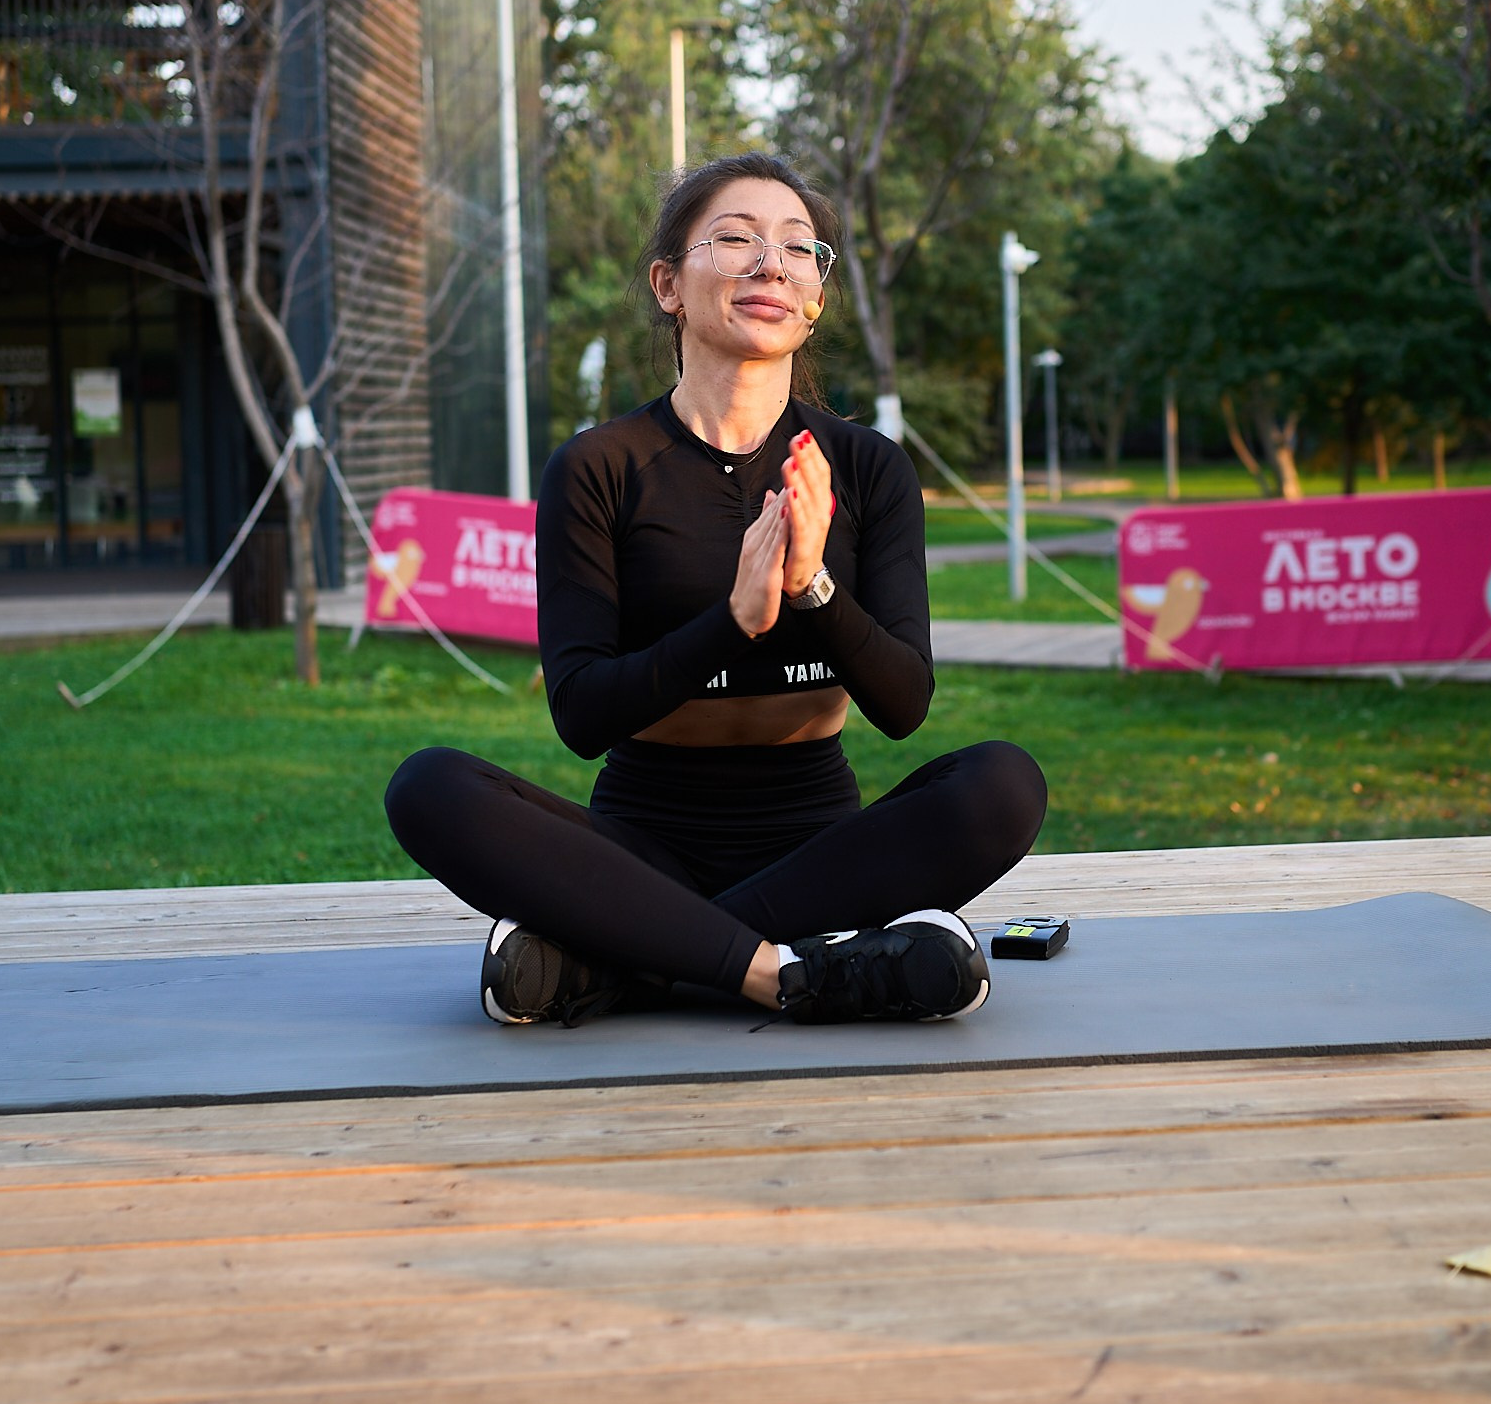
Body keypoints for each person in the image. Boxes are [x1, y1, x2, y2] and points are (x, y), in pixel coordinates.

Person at [385, 152, 1048, 1028]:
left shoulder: (864, 468)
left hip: (820, 848)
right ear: (669, 284)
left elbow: (904, 702)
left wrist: (811, 587)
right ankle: (800, 970)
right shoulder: (599, 468)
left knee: (1003, 783)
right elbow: (582, 716)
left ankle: (630, 956)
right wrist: (734, 622)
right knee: (429, 787)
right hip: (636, 846)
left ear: (813, 303)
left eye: (798, 250)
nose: (771, 263)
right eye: (734, 239)